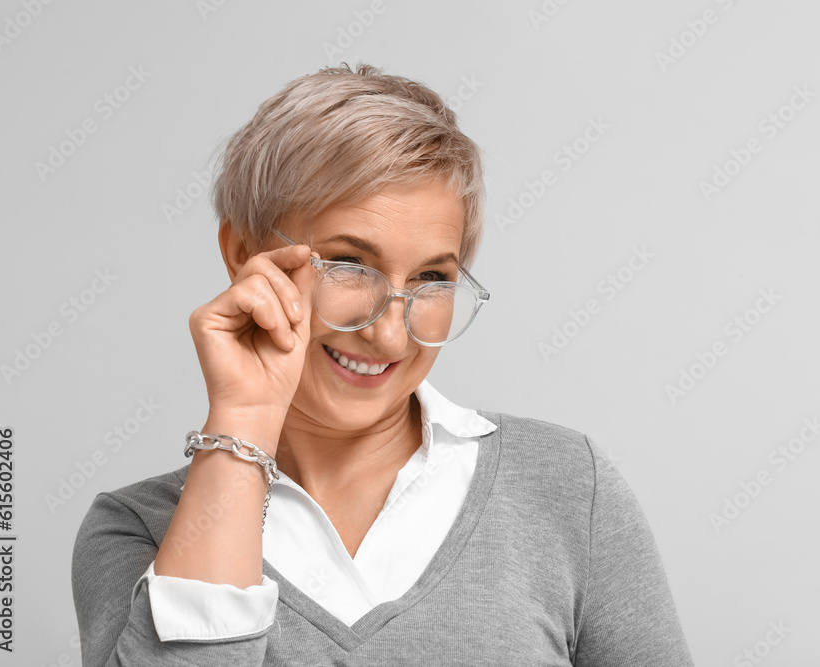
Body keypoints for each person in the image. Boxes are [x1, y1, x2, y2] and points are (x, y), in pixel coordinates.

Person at [72, 63, 695, 666]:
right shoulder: (138, 532)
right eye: (347, 264)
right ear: (242, 252)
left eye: (432, 278)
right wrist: (243, 419)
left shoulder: (564, 488)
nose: (390, 332)